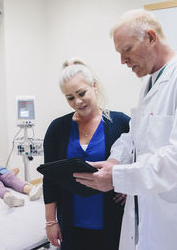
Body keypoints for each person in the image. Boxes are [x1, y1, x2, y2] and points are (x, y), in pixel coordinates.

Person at [74, 9, 177, 250]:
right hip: (156, 216)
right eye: (119, 53)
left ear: (151, 37)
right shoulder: (150, 84)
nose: (122, 61)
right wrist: (115, 160)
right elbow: (135, 135)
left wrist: (118, 178)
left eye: (126, 49)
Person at [42, 58, 130, 250]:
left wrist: (128, 186)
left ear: (94, 86)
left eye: (82, 93)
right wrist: (51, 222)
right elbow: (50, 180)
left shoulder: (121, 123)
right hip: (71, 225)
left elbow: (141, 160)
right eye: (70, 97)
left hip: (113, 222)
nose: (78, 102)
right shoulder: (57, 129)